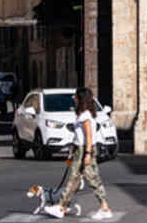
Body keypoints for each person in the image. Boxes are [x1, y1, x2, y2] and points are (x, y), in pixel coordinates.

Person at [45, 87, 112, 220]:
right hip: (80, 149)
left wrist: (87, 153)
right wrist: (72, 151)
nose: (74, 99)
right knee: (77, 180)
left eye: (76, 97)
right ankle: (62, 206)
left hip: (84, 149)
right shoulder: (83, 114)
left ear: (82, 99)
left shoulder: (86, 116)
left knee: (90, 179)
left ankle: (104, 208)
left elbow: (89, 135)